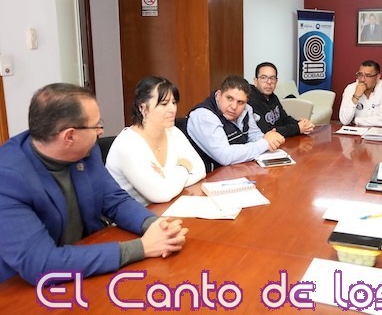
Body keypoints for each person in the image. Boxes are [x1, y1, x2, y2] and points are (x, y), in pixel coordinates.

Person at [0, 83, 188, 285]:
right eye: (96, 125)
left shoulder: (86, 152)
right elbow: (41, 264)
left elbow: (114, 200)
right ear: (69, 136)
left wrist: (154, 225)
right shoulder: (8, 178)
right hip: (25, 288)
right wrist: (142, 248)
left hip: (87, 264)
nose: (101, 131)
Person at [106, 76, 206, 206]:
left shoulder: (172, 132)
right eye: (164, 104)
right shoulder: (127, 144)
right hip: (135, 215)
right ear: (143, 108)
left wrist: (165, 175)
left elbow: (200, 170)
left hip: (167, 208)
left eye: (174, 102)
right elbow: (162, 194)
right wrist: (184, 167)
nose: (172, 109)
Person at [187, 75, 285, 170]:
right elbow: (225, 156)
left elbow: (254, 135)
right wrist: (264, 143)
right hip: (207, 175)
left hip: (233, 170)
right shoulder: (204, 116)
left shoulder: (246, 109)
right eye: (229, 98)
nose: (234, 107)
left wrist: (269, 139)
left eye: (240, 102)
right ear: (219, 95)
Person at [248, 62, 314, 137]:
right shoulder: (251, 101)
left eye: (272, 78)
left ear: (276, 82)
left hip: (281, 141)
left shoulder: (273, 97)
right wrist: (297, 128)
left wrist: (302, 124)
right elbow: (267, 132)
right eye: (263, 78)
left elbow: (284, 119)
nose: (269, 82)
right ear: (256, 81)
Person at [339, 60, 382, 127]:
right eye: (360, 74)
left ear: (377, 77)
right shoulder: (350, 88)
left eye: (368, 76)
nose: (362, 79)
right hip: (356, 131)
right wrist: (356, 96)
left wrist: (355, 120)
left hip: (379, 131)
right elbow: (344, 121)